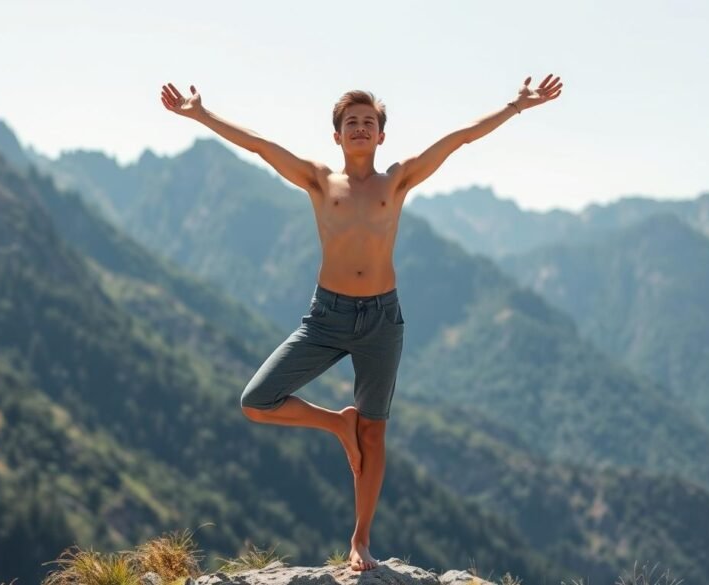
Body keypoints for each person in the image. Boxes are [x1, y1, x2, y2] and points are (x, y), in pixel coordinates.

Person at [159, 75, 563, 572]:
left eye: (369, 122)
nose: (360, 128)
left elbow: (459, 139)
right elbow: (261, 147)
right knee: (256, 401)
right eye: (351, 122)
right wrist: (201, 114)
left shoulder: (397, 180)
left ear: (381, 136)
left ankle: (361, 539)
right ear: (337, 135)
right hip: (326, 317)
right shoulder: (318, 179)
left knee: (374, 435)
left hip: (380, 320)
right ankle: (336, 423)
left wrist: (515, 106)